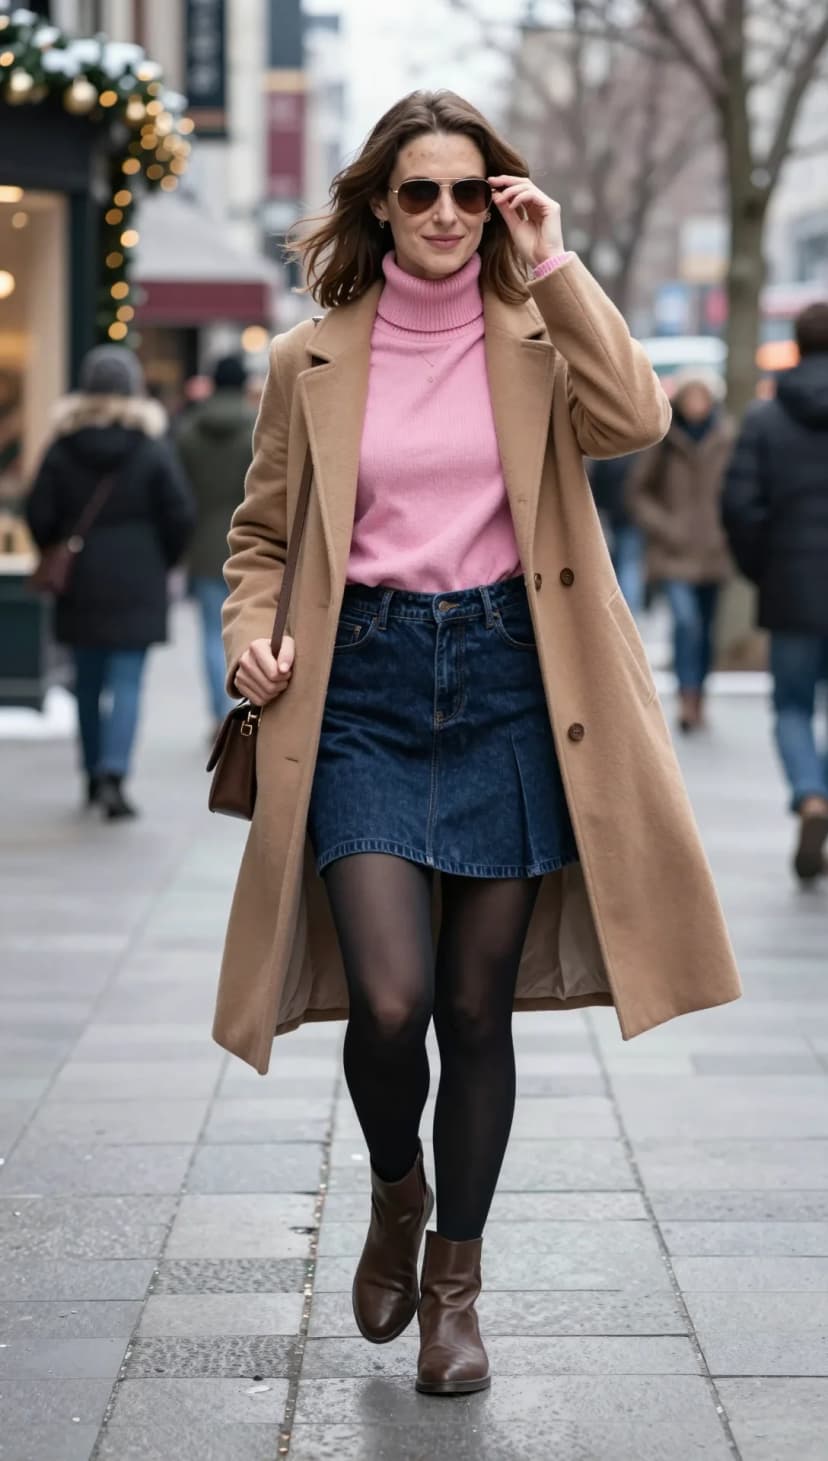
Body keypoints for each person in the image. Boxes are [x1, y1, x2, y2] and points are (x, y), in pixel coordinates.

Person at [212, 91, 741, 1398]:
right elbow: (263, 535)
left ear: (497, 203)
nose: (446, 214)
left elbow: (638, 418)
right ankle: (398, 1189)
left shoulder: (539, 334)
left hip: (511, 681)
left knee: (473, 1006)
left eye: (469, 191)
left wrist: (553, 260)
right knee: (390, 1001)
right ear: (380, 206)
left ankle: (456, 1289)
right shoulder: (308, 357)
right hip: (363, 689)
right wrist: (251, 637)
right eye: (419, 191)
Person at [26, 346, 195, 819]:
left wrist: (56, 547)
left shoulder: (63, 447)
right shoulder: (151, 447)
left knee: (86, 682)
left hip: (82, 578)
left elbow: (39, 514)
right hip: (139, 576)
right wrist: (161, 560)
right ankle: (115, 776)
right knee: (128, 681)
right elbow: (180, 514)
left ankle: (91, 772)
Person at [723, 302, 828, 882]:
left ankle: (810, 795)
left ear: (798, 346)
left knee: (791, 706)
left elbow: (740, 506)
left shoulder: (766, 418)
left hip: (792, 585)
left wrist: (763, 568)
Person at [627, 370, 734, 732]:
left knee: (706, 628)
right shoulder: (665, 439)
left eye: (702, 398)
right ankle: (687, 696)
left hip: (713, 551)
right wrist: (666, 526)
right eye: (691, 397)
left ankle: (700, 692)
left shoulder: (726, 437)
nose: (697, 405)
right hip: (673, 554)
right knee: (686, 623)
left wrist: (726, 529)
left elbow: (739, 489)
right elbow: (638, 492)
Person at [176, 355, 257, 736]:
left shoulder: (189, 431)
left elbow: (178, 493)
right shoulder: (257, 427)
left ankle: (218, 713)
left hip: (204, 544)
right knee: (251, 629)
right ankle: (244, 710)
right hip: (252, 544)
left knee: (212, 632)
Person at [587, 453, 645, 613]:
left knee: (618, 568)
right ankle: (628, 613)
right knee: (628, 567)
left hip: (612, 520)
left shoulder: (603, 459)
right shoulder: (636, 458)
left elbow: (595, 489)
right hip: (628, 520)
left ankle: (620, 611)